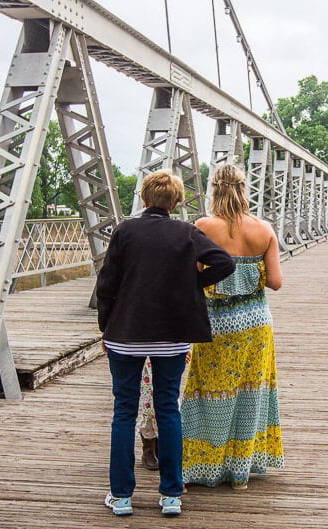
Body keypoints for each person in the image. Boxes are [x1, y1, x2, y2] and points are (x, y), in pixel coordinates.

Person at [96, 170, 234, 516]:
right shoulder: (186, 232)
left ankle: (122, 496)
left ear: (144, 199)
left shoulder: (125, 230)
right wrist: (192, 281)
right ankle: (171, 495)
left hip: (126, 335)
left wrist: (106, 329)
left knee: (124, 412)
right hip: (171, 337)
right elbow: (224, 262)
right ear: (176, 202)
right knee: (168, 409)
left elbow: (106, 284)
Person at [181, 163, 284, 490]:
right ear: (244, 189)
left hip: (216, 322)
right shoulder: (264, 230)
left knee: (208, 391)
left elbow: (192, 275)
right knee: (249, 394)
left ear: (215, 189)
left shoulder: (202, 226)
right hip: (255, 323)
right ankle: (240, 474)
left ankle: (205, 467)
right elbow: (277, 283)